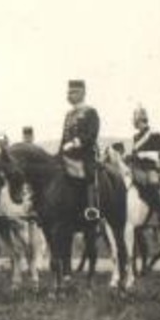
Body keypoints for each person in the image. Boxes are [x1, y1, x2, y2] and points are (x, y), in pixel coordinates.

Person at [59, 80, 101, 218]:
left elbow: (92, 135)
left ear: (82, 93)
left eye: (73, 92)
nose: (69, 95)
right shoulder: (69, 114)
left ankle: (91, 208)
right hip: (67, 156)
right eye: (68, 92)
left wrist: (74, 143)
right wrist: (59, 152)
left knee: (88, 174)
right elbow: (64, 137)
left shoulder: (90, 112)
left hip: (84, 154)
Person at [126, 106, 160, 218]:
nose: (137, 124)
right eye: (136, 122)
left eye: (138, 121)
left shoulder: (155, 135)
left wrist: (146, 154)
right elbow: (135, 154)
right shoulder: (136, 137)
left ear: (143, 120)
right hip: (137, 169)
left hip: (150, 168)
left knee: (152, 186)